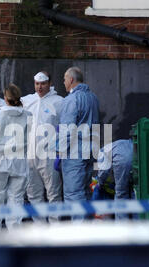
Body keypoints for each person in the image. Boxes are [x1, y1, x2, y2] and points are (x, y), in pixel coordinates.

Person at [0, 72, 64, 211]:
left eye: (43, 84)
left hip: (48, 154)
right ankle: (39, 228)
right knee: (33, 194)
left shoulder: (59, 102)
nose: (40, 87)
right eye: (37, 83)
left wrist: (61, 148)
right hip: (29, 154)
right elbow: (7, 106)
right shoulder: (28, 100)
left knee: (54, 193)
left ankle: (54, 229)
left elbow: (67, 123)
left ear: (49, 83)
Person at [0, 84, 31, 237]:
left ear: (5, 97)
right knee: (16, 199)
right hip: (19, 160)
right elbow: (14, 111)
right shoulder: (28, 115)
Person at [58, 67, 100, 208]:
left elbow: (67, 129)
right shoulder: (93, 97)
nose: (63, 82)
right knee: (86, 192)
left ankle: (78, 229)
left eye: (64, 79)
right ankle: (86, 228)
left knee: (73, 194)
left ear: (71, 79)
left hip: (75, 153)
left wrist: (59, 150)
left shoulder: (71, 99)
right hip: (90, 150)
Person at [95, 139, 134, 220]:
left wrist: (100, 183)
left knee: (121, 194)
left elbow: (103, 172)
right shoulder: (114, 145)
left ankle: (122, 225)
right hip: (136, 152)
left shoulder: (102, 152)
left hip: (122, 159)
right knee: (134, 192)